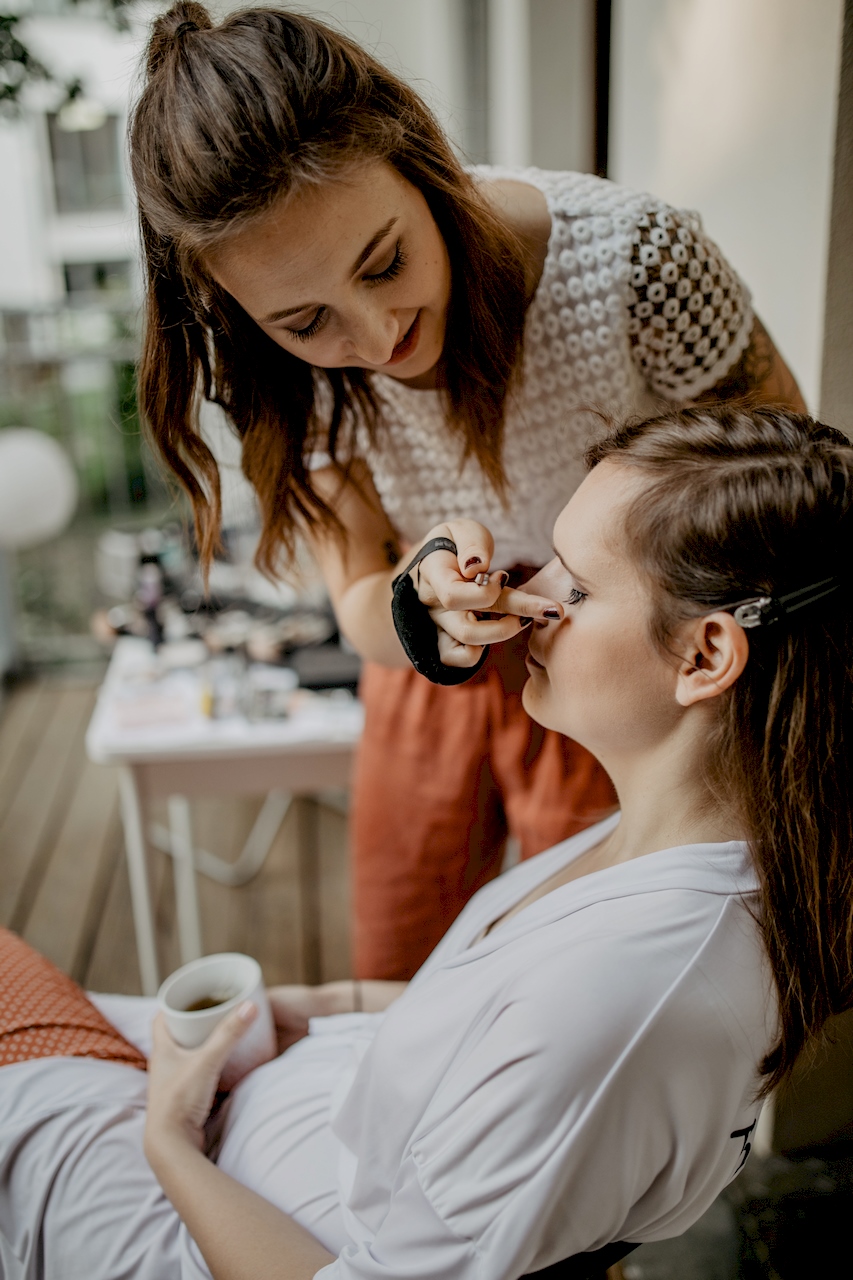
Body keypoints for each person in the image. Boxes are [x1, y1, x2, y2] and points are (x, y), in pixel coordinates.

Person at [2, 404, 852, 1280]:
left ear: (705, 657)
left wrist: (170, 1141)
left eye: (579, 586)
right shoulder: (671, 846)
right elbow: (499, 1015)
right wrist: (333, 1004)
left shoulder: (620, 1003)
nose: (528, 597)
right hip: (265, 1103)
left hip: (184, 1225)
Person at [128, 3, 808, 981]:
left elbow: (787, 474)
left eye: (386, 260)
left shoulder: (636, 266)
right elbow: (358, 600)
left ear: (422, 159)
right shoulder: (276, 378)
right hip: (425, 673)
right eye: (306, 318)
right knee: (405, 961)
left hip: (616, 660)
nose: (373, 335)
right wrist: (419, 598)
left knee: (591, 969)